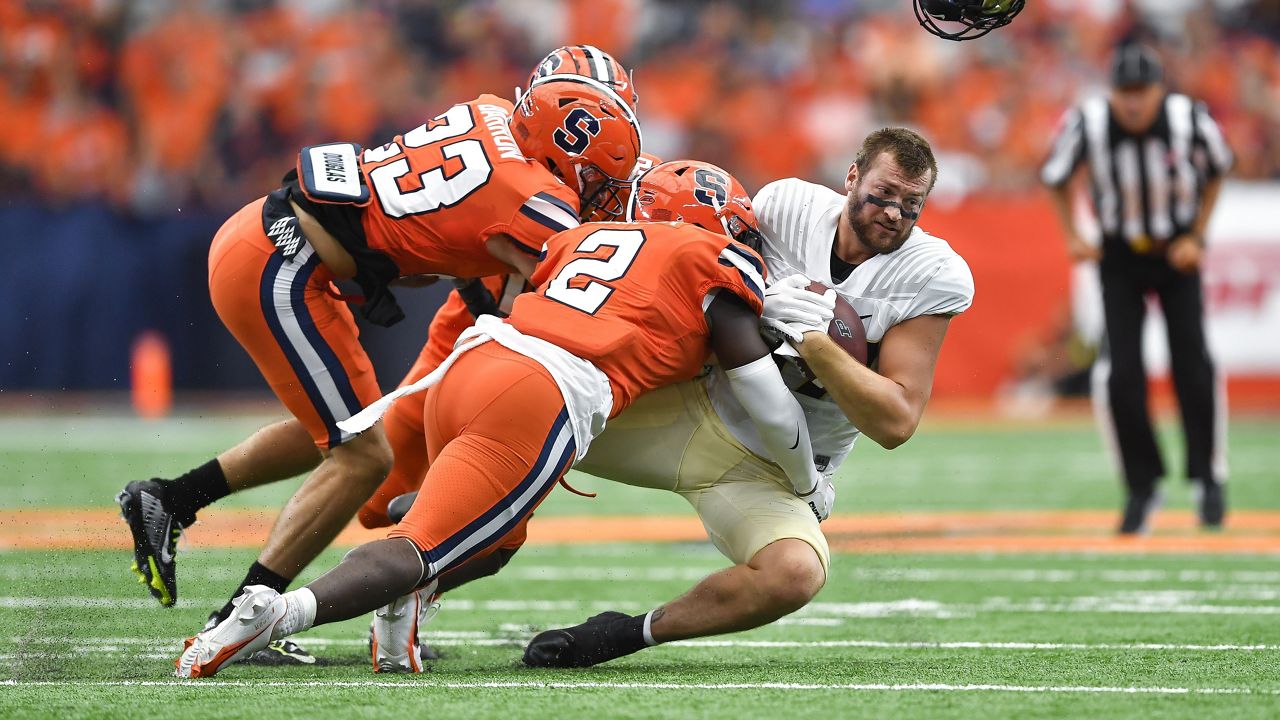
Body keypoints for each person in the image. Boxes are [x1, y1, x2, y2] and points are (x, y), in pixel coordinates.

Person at [176, 160, 828, 678]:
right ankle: (275, 611)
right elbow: (770, 404)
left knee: (498, 532)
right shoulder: (715, 260)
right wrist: (807, 483)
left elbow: (496, 290)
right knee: (420, 549)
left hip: (472, 363)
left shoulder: (583, 234)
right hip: (543, 394)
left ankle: (405, 602)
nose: (744, 244)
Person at [375, 128, 972, 670]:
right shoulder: (786, 207)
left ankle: (626, 634)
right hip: (686, 403)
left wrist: (815, 347)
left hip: (773, 466)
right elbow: (695, 265)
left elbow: (895, 420)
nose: (892, 214)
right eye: (882, 194)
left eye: (910, 206)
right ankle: (430, 544)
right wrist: (764, 301)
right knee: (525, 403)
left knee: (795, 574)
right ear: (851, 177)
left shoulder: (930, 273)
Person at [117, 73, 641, 660]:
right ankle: (244, 616)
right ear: (558, 146)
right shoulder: (536, 199)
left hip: (277, 240)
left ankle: (172, 497)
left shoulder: (490, 110)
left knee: (356, 426)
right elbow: (580, 277)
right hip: (284, 264)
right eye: (592, 173)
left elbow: (433, 228)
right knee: (364, 456)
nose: (595, 188)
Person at [1041, 43, 1232, 534]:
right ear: (1112, 93)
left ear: (1158, 91)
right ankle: (1142, 486)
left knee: (1193, 362)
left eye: (1141, 92)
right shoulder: (1089, 121)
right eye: (1124, 92)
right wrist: (1073, 236)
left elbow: (1219, 170)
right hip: (1120, 256)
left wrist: (1197, 235)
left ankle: (1208, 476)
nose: (1132, 103)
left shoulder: (1190, 117)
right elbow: (1056, 175)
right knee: (1121, 373)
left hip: (1176, 251)